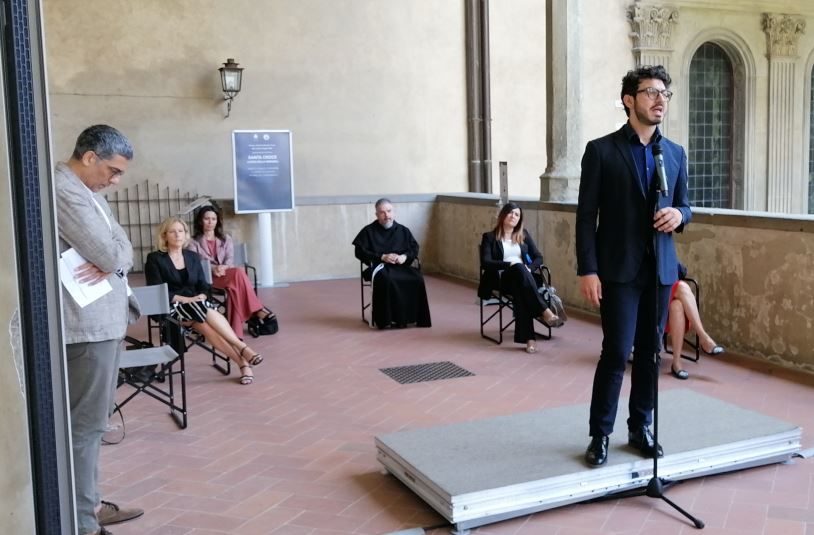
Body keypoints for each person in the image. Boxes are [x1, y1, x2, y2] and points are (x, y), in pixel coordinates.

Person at [576, 65, 692, 467]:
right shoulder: (601, 151)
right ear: (629, 100)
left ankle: (641, 427)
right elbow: (586, 216)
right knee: (615, 352)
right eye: (651, 92)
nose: (660, 100)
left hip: (659, 269)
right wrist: (587, 269)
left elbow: (686, 205)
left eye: (665, 93)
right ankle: (600, 434)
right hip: (617, 270)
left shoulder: (674, 153)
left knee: (650, 353)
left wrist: (679, 215)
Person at [55, 125, 144, 535]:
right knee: (85, 427)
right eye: (113, 171)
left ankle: (87, 506)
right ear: (90, 157)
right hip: (87, 329)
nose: (115, 181)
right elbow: (109, 253)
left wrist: (115, 257)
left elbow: (123, 248)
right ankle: (82, 521)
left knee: (93, 424)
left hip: (103, 324)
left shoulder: (87, 192)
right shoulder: (64, 190)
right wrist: (114, 257)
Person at [145, 217, 263, 385]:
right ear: (164, 236)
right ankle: (243, 350)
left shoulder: (192, 256)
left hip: (197, 307)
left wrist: (202, 296)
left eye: (181, 231)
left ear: (186, 235)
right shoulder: (155, 259)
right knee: (203, 311)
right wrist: (188, 299)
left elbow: (204, 285)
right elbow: (157, 291)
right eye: (172, 232)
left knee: (204, 324)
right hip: (171, 308)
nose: (177, 235)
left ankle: (242, 363)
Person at [478, 202, 563, 353]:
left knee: (520, 289)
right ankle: (545, 312)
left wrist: (529, 268)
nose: (513, 216)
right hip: (501, 280)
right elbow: (486, 262)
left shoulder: (523, 235)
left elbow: (538, 257)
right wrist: (510, 264)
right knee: (518, 268)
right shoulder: (489, 237)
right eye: (510, 212)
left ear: (519, 219)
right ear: (503, 215)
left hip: (522, 280)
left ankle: (530, 340)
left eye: (517, 214)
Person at [186, 205, 273, 334]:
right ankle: (257, 310)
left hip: (226, 274)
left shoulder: (226, 238)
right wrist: (213, 268)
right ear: (200, 221)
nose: (210, 222)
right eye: (206, 219)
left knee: (234, 287)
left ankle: (235, 331)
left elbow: (230, 259)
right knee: (238, 273)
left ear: (217, 221)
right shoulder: (193, 242)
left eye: (213, 219)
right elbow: (195, 264)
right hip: (208, 278)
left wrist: (223, 267)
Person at [352, 198, 431, 328]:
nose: (386, 215)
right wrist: (382, 257)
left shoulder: (403, 230)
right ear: (377, 214)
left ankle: (411, 317)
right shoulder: (368, 231)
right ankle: (387, 319)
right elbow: (359, 251)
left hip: (401, 266)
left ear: (393, 212)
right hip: (379, 266)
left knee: (417, 278)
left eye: (389, 211)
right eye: (382, 212)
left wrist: (404, 257)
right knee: (387, 279)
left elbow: (414, 248)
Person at [667, 262, 725, 380]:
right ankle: (704, 338)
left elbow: (679, 268)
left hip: (667, 288)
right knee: (682, 286)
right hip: (651, 296)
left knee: (677, 306)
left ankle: (676, 363)